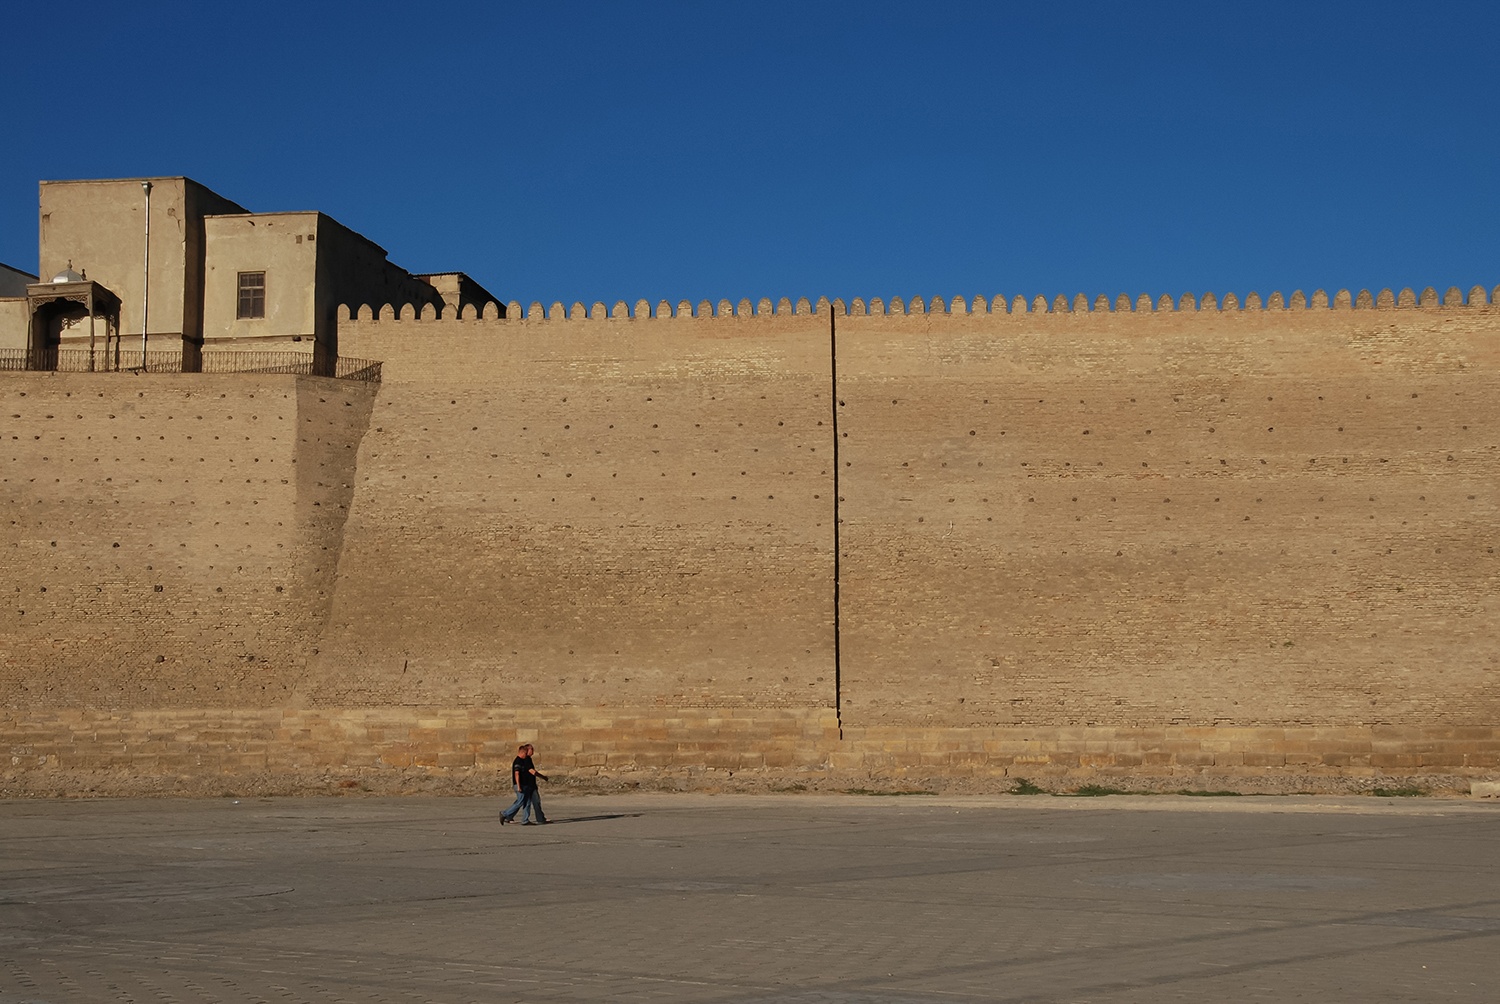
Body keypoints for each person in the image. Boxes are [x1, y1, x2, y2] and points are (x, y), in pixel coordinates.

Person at [500, 743, 549, 825]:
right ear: (524, 751)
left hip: (528, 785)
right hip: (524, 785)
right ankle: (505, 814)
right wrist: (543, 777)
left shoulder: (526, 759)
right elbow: (519, 773)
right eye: (531, 750)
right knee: (521, 801)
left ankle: (526, 819)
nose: (532, 751)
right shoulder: (522, 760)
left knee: (527, 802)